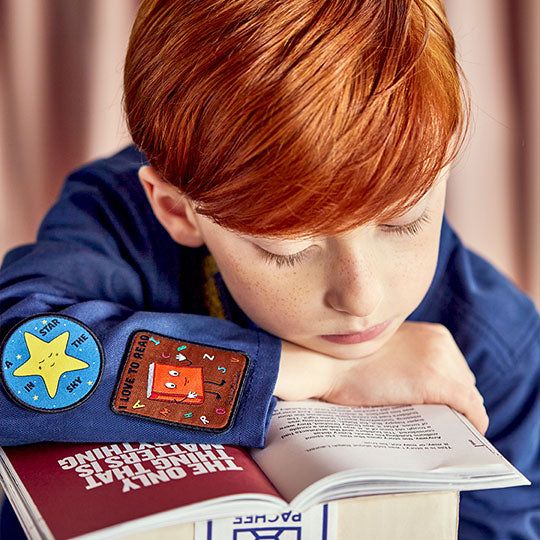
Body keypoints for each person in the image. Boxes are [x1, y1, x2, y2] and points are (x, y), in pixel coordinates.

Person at [0, 0, 538, 538]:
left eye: (404, 222)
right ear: (175, 209)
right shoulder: (119, 220)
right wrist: (314, 371)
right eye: (289, 249)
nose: (362, 298)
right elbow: (14, 362)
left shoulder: (496, 342)